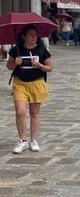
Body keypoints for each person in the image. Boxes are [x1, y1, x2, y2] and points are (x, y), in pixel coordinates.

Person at [6, 24, 53, 154]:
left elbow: (50, 68)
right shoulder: (16, 50)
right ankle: (22, 140)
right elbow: (9, 66)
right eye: (31, 35)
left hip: (36, 83)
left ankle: (33, 140)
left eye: (35, 35)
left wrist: (39, 65)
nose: (34, 37)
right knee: (20, 112)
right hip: (20, 83)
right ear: (23, 36)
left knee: (34, 113)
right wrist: (15, 62)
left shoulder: (42, 50)